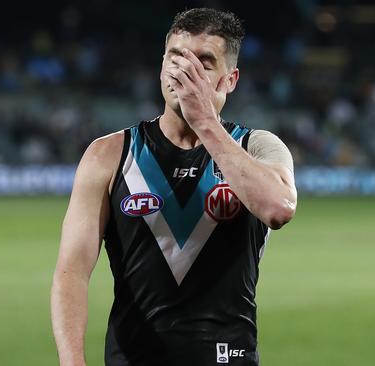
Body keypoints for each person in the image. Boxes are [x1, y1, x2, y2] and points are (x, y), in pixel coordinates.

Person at [51, 8, 297, 366]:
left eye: (204, 62)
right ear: (161, 65)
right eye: (177, 56)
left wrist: (205, 122)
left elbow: (279, 208)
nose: (186, 71)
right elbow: (71, 271)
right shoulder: (108, 154)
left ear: (230, 80)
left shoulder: (258, 146)